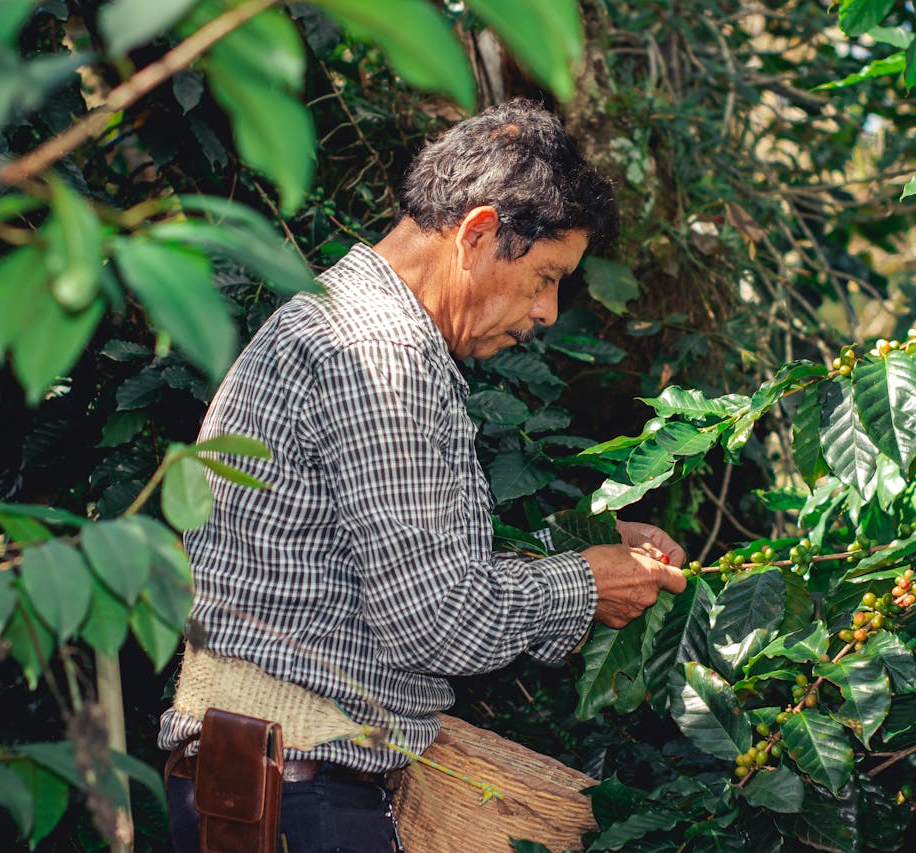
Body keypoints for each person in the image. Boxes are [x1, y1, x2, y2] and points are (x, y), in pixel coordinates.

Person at [159, 99, 688, 852]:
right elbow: (437, 618)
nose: (548, 310)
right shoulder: (382, 353)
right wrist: (585, 583)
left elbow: (386, 569)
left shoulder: (347, 319)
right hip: (294, 793)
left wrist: (583, 549)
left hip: (267, 779)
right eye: (544, 276)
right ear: (476, 234)